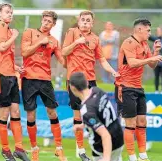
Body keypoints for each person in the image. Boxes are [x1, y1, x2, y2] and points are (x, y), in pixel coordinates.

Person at [62, 10, 119, 161]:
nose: (85, 23)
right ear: (79, 21)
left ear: (92, 23)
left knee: (93, 113)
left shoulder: (95, 39)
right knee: (77, 115)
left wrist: (113, 72)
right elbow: (64, 51)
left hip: (90, 81)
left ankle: (97, 142)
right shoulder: (72, 32)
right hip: (74, 80)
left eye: (88, 20)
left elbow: (102, 60)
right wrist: (76, 43)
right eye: (83, 20)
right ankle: (80, 149)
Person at [115, 18, 162, 161]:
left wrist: (155, 53)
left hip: (138, 87)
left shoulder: (144, 44)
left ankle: (143, 156)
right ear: (139, 29)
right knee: (130, 124)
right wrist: (149, 59)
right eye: (148, 30)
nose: (150, 33)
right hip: (125, 87)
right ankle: (132, 157)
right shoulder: (129, 42)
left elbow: (152, 65)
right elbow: (131, 63)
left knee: (142, 122)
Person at [21, 10, 67, 161]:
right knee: (30, 115)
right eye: (44, 20)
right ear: (42, 20)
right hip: (28, 79)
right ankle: (34, 148)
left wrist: (76, 63)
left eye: (49, 22)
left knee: (52, 113)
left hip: (45, 80)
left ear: (53, 24)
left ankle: (59, 148)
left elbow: (62, 60)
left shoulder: (54, 41)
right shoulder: (30, 33)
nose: (46, 23)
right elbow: (24, 52)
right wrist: (40, 42)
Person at [0, 3, 30, 161]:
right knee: (4, 113)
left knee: (16, 111)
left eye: (11, 12)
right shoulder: (0, 26)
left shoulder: (7, 29)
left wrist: (15, 67)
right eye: (7, 12)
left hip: (11, 76)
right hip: (0, 77)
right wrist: (14, 36)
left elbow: (4, 56)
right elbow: (1, 48)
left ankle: (19, 148)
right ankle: (5, 150)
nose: (10, 14)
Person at [69, 72, 124, 161]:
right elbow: (100, 116)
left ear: (73, 88)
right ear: (87, 82)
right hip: (118, 138)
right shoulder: (98, 91)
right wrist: (82, 125)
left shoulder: (86, 110)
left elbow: (105, 135)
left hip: (104, 147)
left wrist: (106, 158)